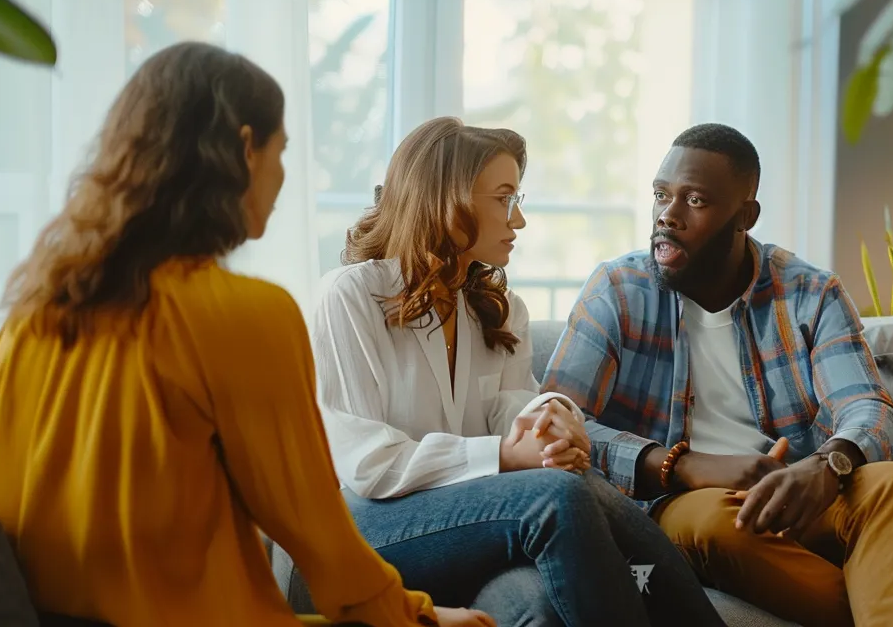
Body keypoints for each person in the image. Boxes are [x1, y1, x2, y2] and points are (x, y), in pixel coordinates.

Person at [0, 42, 492, 627]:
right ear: (245, 149)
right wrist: (420, 618)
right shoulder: (244, 317)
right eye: (282, 152)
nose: (282, 176)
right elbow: (321, 541)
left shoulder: (26, 320)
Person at [311, 116, 726, 627]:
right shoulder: (351, 295)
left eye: (518, 199)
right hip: (366, 532)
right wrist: (506, 455)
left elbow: (516, 406)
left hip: (474, 532)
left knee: (537, 604)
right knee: (558, 493)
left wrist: (555, 426)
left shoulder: (499, 307)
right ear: (448, 200)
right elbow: (370, 465)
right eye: (503, 199)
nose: (519, 221)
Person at [541, 123, 893, 627]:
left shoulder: (810, 294)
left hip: (798, 492)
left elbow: (872, 410)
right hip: (687, 504)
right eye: (662, 195)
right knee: (714, 521)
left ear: (744, 216)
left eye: (695, 200)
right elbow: (555, 425)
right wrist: (681, 465)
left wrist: (825, 468)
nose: (668, 214)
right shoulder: (618, 290)